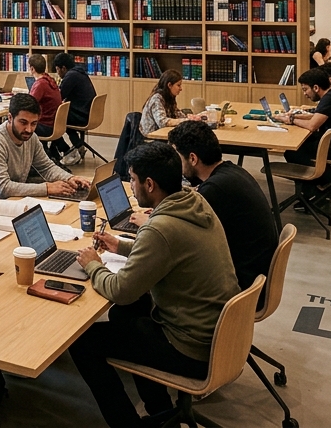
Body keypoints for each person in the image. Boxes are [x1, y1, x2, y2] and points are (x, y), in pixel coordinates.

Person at [69, 142, 240, 427]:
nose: (132, 188)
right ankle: (159, 407)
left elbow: (120, 291)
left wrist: (93, 265)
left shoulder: (159, 228)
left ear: (149, 184)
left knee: (83, 342)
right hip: (217, 333)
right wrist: (121, 245)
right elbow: (168, 252)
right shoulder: (192, 201)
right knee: (130, 313)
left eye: (133, 180)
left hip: (190, 347)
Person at [167, 121, 278, 293]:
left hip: (240, 287)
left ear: (193, 158)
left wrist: (152, 219)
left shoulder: (215, 190)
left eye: (177, 158)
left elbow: (179, 235)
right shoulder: (232, 172)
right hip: (256, 276)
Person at [0, 93, 91, 198]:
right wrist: (47, 188)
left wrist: (69, 178)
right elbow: (2, 188)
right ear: (10, 118)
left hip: (15, 198)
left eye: (34, 123)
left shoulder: (32, 138)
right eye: (23, 122)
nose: (29, 129)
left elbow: (46, 167)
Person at [54, 53, 96, 164]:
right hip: (87, 112)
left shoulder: (71, 76)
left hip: (81, 115)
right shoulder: (80, 72)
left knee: (57, 118)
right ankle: (76, 146)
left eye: (58, 69)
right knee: (62, 116)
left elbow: (59, 96)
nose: (57, 73)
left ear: (63, 68)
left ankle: (68, 148)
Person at [139, 70, 199, 136]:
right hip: (151, 138)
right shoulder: (157, 98)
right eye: (178, 85)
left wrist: (190, 117)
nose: (181, 89)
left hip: (161, 135)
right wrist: (185, 120)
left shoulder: (169, 97)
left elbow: (176, 113)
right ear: (169, 85)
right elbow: (162, 122)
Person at [27, 54, 62, 138]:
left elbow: (28, 104)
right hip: (54, 123)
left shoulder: (40, 84)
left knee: (15, 124)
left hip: (45, 125)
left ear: (32, 69)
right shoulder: (49, 79)